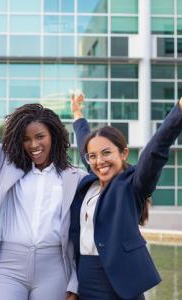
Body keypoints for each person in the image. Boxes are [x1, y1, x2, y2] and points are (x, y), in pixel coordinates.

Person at [0, 56, 87, 300]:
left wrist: (75, 282)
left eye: (40, 136)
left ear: (54, 136)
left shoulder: (75, 178)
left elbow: (83, 233)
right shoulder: (5, 165)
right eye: (26, 139)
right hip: (9, 266)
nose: (33, 145)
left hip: (55, 268)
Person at [69, 93, 182, 299]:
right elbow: (85, 140)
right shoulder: (92, 183)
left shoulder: (133, 184)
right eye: (92, 156)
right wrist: (77, 114)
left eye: (106, 153)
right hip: (85, 278)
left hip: (120, 282)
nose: (99, 161)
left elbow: (156, 150)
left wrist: (179, 110)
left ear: (124, 153)